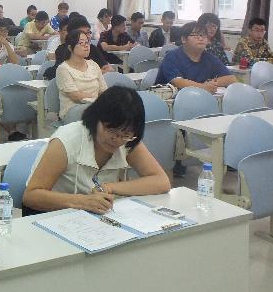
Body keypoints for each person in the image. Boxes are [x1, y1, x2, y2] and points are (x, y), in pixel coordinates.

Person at [23, 86, 171, 214]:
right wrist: (82, 201)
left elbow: (161, 181)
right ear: (96, 119)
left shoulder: (127, 141)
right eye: (111, 130)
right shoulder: (66, 141)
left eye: (126, 134)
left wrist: (110, 187)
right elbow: (31, 196)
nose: (117, 140)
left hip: (93, 217)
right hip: (51, 215)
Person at [155, 22, 237, 93]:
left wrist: (211, 84)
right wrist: (203, 87)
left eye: (203, 35)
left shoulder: (209, 57)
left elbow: (231, 79)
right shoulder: (172, 56)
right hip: (167, 100)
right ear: (184, 39)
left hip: (196, 98)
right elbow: (178, 82)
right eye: (196, 35)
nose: (201, 38)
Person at [55, 30, 108, 120]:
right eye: (81, 43)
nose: (86, 46)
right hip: (73, 113)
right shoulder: (63, 69)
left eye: (87, 42)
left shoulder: (93, 65)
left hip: (94, 109)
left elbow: (103, 91)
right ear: (70, 48)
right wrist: (98, 101)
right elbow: (76, 96)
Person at [45, 15, 113, 80]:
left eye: (88, 32)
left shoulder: (93, 48)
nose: (87, 36)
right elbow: (69, 74)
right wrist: (97, 72)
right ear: (72, 34)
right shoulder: (62, 50)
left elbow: (108, 69)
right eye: (82, 33)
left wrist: (92, 73)